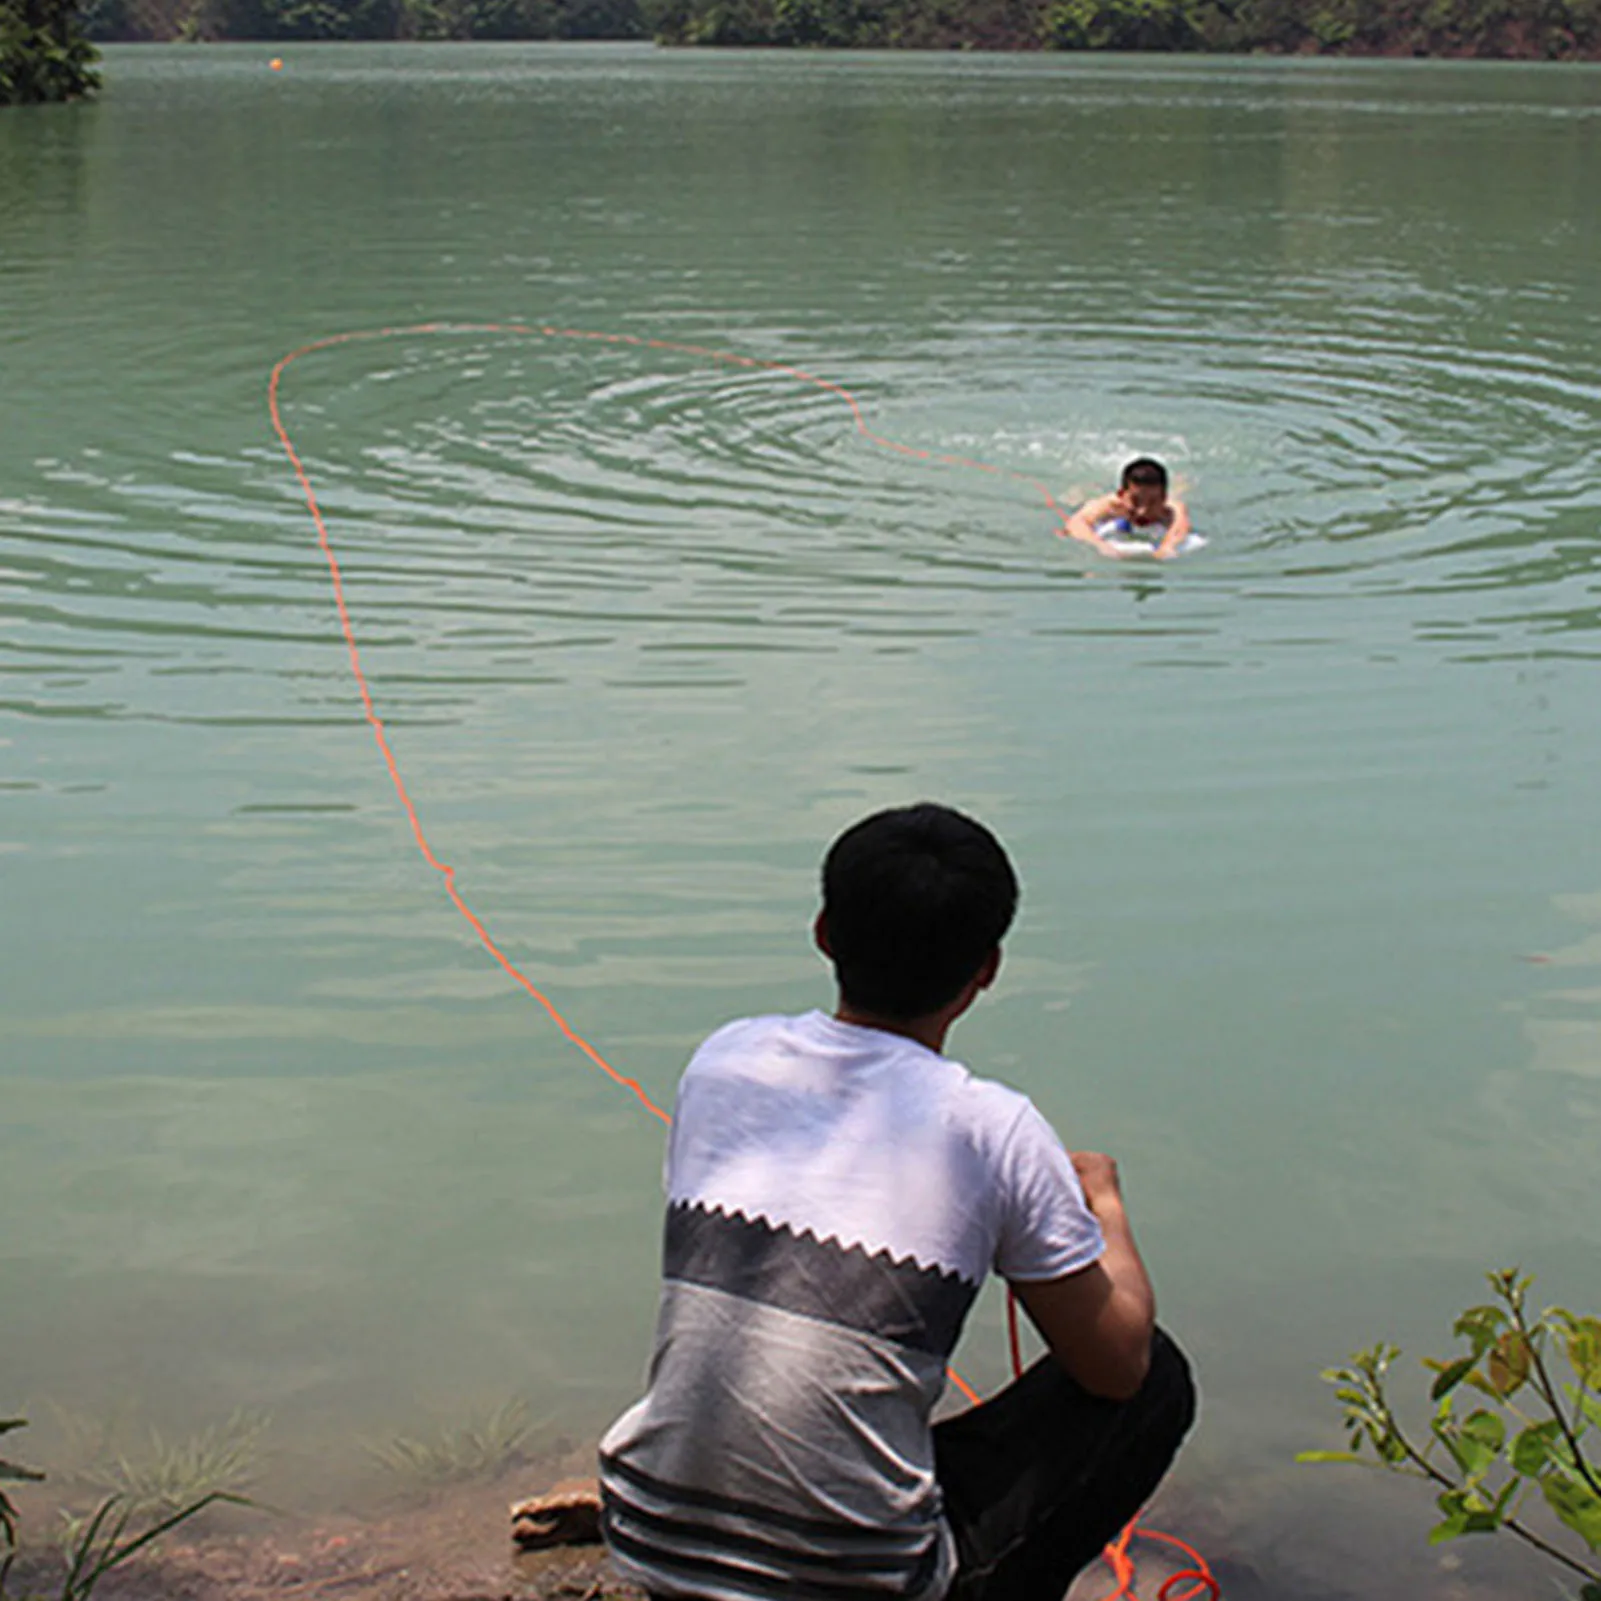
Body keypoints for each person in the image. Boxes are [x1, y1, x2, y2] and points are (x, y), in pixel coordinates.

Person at [597, 803, 1196, 1601]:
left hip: (648, 1534)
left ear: (823, 932)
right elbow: (1117, 1366)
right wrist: (1105, 1207)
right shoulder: (992, 1129)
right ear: (985, 968)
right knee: (1158, 1383)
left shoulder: (724, 1060)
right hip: (862, 1583)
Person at [1064, 457, 1192, 559]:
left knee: (1180, 492)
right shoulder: (1111, 505)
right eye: (1135, 501)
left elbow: (1180, 530)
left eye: (1152, 502)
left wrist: (1166, 548)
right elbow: (1077, 522)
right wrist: (1102, 546)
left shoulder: (1173, 510)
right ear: (1121, 495)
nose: (1143, 511)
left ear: (1164, 498)